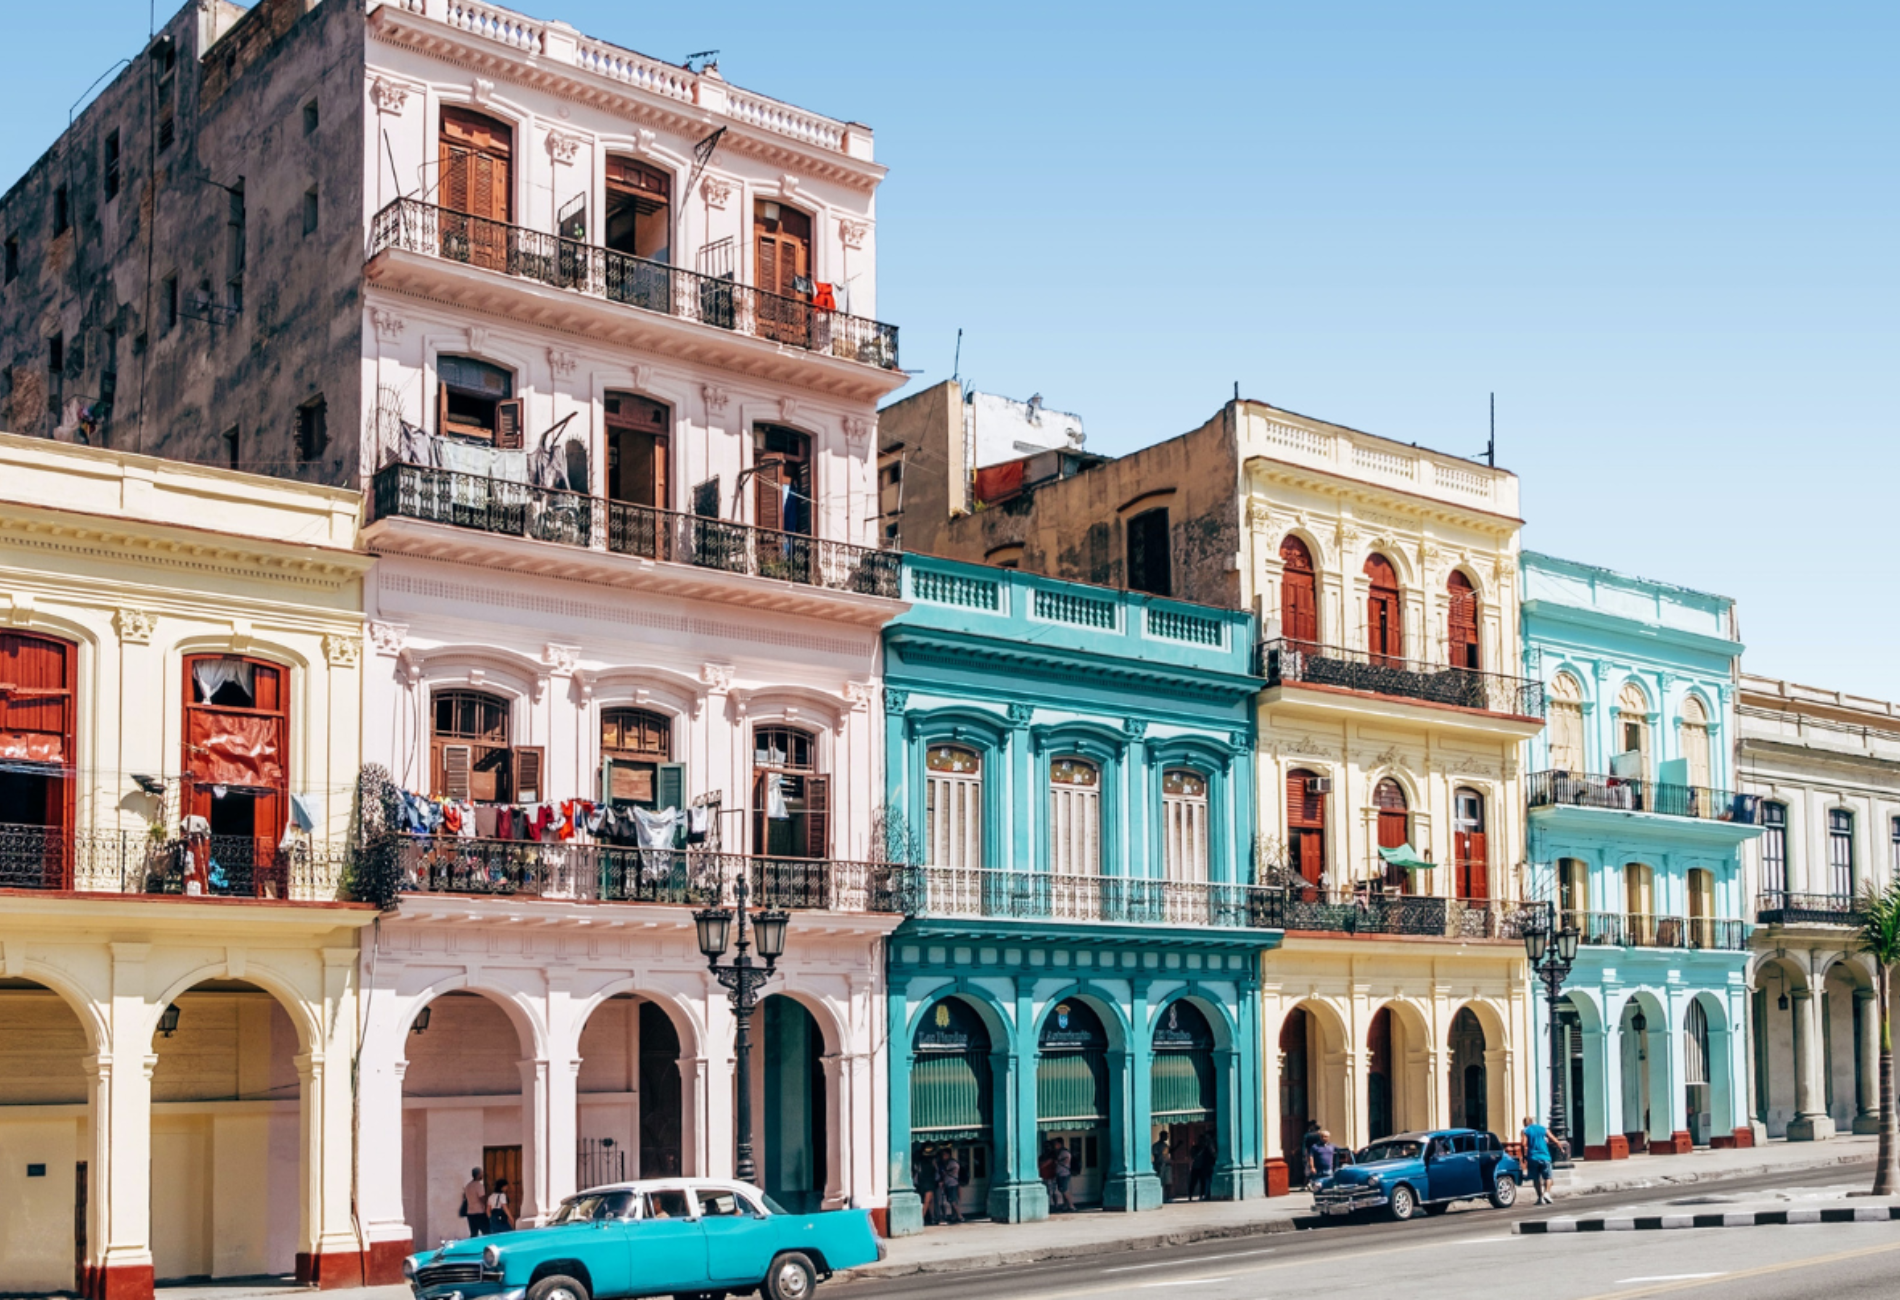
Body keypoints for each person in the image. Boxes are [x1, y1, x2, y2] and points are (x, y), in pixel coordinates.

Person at [1521, 1118, 1565, 1204]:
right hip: (1545, 1156)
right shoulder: (1542, 1128)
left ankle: (1540, 1197)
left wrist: (1524, 1156)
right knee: (1548, 1177)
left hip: (1532, 1157)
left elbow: (1523, 1144)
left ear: (1525, 1124)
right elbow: (1552, 1138)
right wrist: (1560, 1147)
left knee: (1536, 1178)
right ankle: (1547, 1193)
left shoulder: (1525, 1130)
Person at [1189, 1132, 1217, 1201]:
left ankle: (1202, 1195)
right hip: (1196, 1167)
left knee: (1203, 1182)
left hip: (1203, 1167)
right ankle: (1190, 1196)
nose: (1202, 1142)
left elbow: (1213, 1154)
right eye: (1200, 1140)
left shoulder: (1207, 1149)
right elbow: (1194, 1156)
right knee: (1193, 1182)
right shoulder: (1195, 1148)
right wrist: (1202, 1149)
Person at [938, 1148, 964, 1224]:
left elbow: (946, 1173)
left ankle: (960, 1216)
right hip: (949, 1183)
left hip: (952, 1184)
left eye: (944, 1155)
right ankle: (954, 1216)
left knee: (952, 1201)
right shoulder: (947, 1163)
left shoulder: (952, 1163)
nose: (943, 1156)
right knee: (951, 1200)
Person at [461, 1168, 489, 1236]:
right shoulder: (479, 1186)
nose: (483, 1175)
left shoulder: (468, 1186)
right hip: (479, 1212)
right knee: (486, 1232)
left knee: (473, 1233)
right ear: (479, 1175)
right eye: (481, 1173)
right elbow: (482, 1198)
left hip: (470, 1213)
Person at [1051, 1137, 1076, 1213]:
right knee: (1062, 1190)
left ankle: (1071, 1205)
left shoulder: (1064, 1152)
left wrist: (1058, 1162)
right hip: (1060, 1174)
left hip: (1064, 1174)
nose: (1054, 1145)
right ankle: (1066, 1205)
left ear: (1059, 1144)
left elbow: (1066, 1160)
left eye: (1056, 1144)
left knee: (1064, 1190)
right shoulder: (1059, 1152)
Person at [915, 1145, 938, 1225]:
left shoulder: (920, 1163)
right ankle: (921, 1218)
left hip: (923, 1183)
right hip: (929, 1183)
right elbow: (935, 1172)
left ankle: (932, 1218)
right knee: (927, 1201)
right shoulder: (931, 1163)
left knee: (930, 1201)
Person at [1299, 1119, 1323, 1186]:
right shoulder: (1321, 1135)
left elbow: (1303, 1146)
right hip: (1319, 1154)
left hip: (1309, 1153)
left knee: (1308, 1170)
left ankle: (1307, 1183)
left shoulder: (1307, 1135)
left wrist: (1303, 1154)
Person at [1152, 1132, 1173, 1203]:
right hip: (1160, 1165)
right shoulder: (1156, 1146)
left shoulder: (1166, 1145)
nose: (1166, 1137)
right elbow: (1155, 1155)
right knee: (1160, 1181)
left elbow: (1169, 1152)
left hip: (1167, 1165)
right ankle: (1160, 1197)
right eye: (1165, 1136)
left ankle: (1168, 1197)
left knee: (1168, 1182)